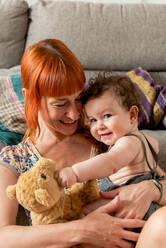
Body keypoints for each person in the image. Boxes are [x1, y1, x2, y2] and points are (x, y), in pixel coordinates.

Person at [0, 38, 162, 248]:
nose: (75, 114)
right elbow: (3, 235)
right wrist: (83, 230)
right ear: (31, 98)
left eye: (78, 98)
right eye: (60, 104)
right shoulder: (16, 158)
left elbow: (159, 177)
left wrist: (151, 188)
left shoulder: (104, 136)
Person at [56, 73, 165, 221]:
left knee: (85, 212)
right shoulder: (150, 142)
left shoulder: (128, 143)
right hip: (143, 208)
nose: (99, 126)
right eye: (93, 120)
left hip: (135, 212)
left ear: (132, 115)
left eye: (107, 116)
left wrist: (74, 172)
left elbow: (110, 162)